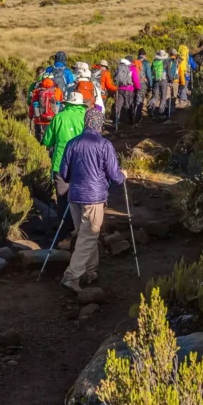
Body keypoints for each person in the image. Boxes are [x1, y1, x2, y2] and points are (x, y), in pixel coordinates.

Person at [58, 107, 126, 293]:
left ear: (85, 122)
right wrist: (123, 175)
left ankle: (90, 271)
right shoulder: (104, 145)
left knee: (84, 233)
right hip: (94, 197)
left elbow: (63, 173)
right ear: (100, 124)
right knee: (89, 235)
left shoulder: (72, 143)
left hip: (75, 196)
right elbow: (114, 175)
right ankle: (72, 275)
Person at [42, 91, 88, 242]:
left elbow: (48, 141)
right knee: (80, 198)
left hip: (60, 164)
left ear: (67, 103)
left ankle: (63, 233)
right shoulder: (85, 117)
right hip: (82, 165)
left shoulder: (59, 117)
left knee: (63, 199)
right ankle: (79, 232)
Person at [30, 75, 63, 141]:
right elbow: (60, 104)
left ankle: (38, 150)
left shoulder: (36, 92)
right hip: (52, 120)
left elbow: (32, 106)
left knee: (39, 140)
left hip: (39, 120)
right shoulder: (58, 91)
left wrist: (30, 116)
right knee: (50, 139)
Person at [112, 57, 140, 130]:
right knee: (129, 106)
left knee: (118, 106)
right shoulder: (132, 68)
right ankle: (131, 123)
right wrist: (138, 88)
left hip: (120, 89)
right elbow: (135, 79)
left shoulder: (119, 67)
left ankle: (116, 122)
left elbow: (115, 77)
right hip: (129, 89)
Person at [132, 49, 153, 123]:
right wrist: (150, 85)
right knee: (139, 100)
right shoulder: (146, 63)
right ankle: (137, 119)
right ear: (145, 55)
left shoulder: (134, 62)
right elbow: (149, 75)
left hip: (133, 84)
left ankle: (132, 116)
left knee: (134, 100)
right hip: (142, 83)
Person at [150, 50, 169, 116]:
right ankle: (161, 112)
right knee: (163, 98)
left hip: (156, 81)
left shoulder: (154, 62)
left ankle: (151, 109)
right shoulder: (166, 62)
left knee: (155, 96)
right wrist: (170, 80)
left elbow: (151, 71)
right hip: (164, 81)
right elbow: (168, 73)